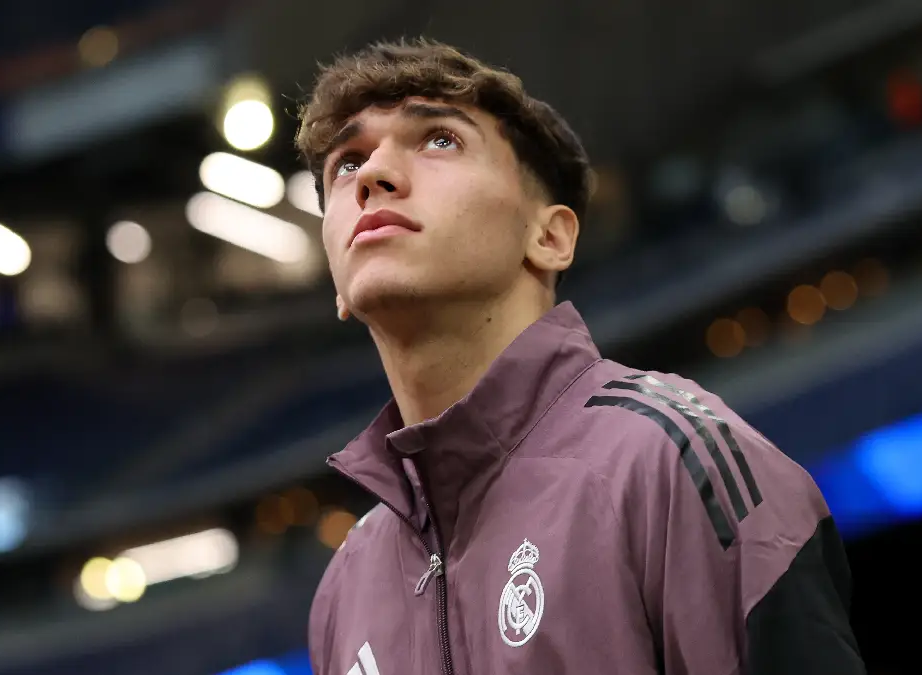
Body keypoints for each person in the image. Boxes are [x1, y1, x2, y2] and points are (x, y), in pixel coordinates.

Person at [296, 38, 865, 675]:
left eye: (439, 140)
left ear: (550, 236)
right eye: (346, 163)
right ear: (337, 281)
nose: (371, 175)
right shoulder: (344, 591)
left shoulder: (673, 459)